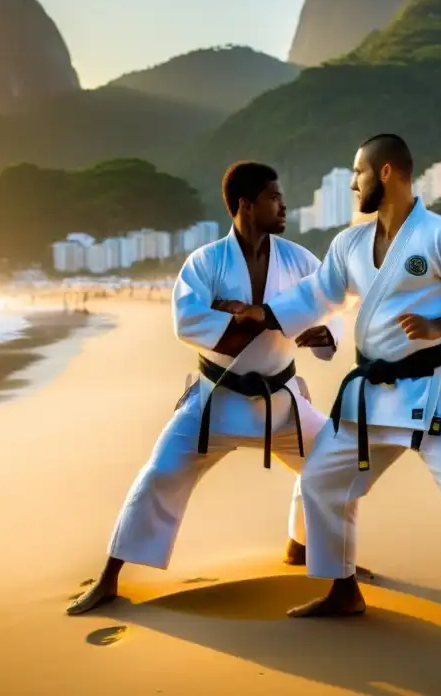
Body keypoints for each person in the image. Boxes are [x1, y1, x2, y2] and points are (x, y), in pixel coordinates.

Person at [222, 135, 441, 661]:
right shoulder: (350, 245)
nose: (352, 183)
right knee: (321, 481)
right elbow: (316, 295)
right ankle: (343, 590)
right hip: (370, 397)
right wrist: (263, 314)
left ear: (384, 173)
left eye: (356, 173)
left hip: (432, 394)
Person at [67, 161, 345, 615]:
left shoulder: (297, 259)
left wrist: (321, 331)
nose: (284, 205)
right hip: (216, 402)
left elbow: (330, 303)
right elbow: (188, 321)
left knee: (332, 463)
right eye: (274, 197)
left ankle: (302, 545)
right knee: (158, 476)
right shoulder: (206, 262)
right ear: (246, 205)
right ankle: (108, 579)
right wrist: (262, 320)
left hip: (282, 403)